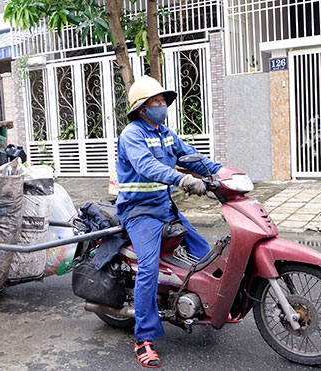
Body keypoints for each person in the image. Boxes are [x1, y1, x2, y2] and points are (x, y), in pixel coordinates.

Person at [115, 75, 223, 368]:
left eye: (163, 101)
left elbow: (190, 156)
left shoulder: (165, 133)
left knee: (204, 249)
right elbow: (146, 166)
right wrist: (183, 179)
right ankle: (144, 339)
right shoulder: (132, 135)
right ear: (142, 109)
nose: (163, 106)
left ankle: (206, 301)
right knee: (148, 268)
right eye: (157, 102)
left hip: (163, 206)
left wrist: (222, 172)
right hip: (138, 211)